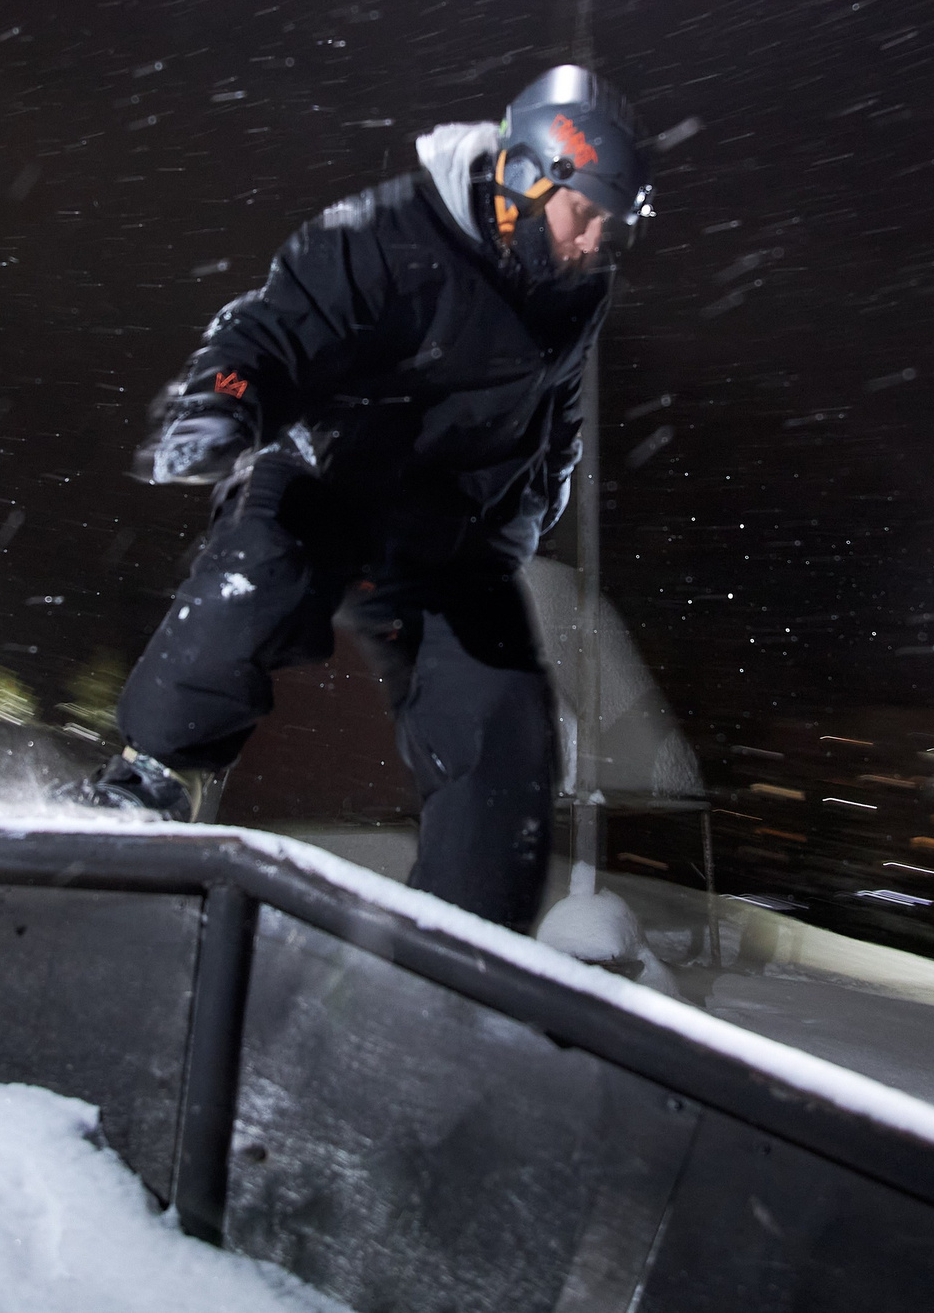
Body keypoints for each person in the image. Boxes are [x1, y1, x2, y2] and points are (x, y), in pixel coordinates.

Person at [78, 65, 654, 929]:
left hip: (448, 532)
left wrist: (537, 497)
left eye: (614, 228)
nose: (594, 245)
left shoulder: (579, 292)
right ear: (529, 178)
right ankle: (150, 776)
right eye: (586, 216)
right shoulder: (385, 232)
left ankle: (468, 930)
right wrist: (221, 398)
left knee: (504, 718)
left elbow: (558, 405)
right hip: (329, 472)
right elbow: (271, 325)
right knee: (260, 572)